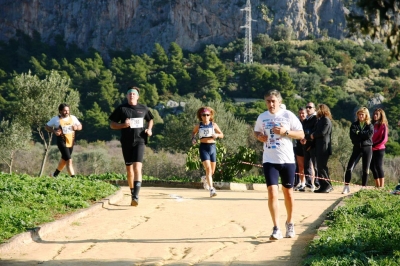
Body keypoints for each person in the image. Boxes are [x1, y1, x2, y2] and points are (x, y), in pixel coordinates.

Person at [254, 89, 304, 240]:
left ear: (279, 102)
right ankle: (276, 228)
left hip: (287, 160)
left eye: (273, 101)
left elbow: (301, 134)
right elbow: (256, 131)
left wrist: (285, 132)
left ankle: (289, 222)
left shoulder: (288, 115)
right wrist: (260, 137)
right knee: (272, 193)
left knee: (288, 193)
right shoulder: (262, 117)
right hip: (269, 160)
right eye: (268, 101)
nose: (270, 104)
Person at [109, 86, 154, 206]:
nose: (132, 96)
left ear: (137, 97)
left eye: (134, 94)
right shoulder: (121, 108)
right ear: (127, 96)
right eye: (129, 94)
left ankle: (136, 196)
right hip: (126, 142)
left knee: (137, 168)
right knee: (129, 170)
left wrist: (149, 130)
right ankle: (132, 191)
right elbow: (112, 125)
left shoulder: (143, 108)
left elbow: (150, 120)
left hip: (140, 141)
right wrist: (123, 125)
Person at [191, 107, 224, 197]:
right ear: (200, 116)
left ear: (210, 116)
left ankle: (205, 178)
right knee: (208, 169)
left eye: (207, 115)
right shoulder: (199, 126)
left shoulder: (214, 125)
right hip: (203, 148)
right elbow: (193, 132)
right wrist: (193, 139)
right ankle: (212, 189)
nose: (205, 117)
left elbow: (222, 135)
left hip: (212, 147)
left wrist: (216, 135)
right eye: (204, 115)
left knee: (212, 171)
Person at [45, 103, 82, 177]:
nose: (67, 112)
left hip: (71, 141)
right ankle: (73, 178)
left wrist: (76, 128)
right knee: (69, 160)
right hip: (61, 142)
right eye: (65, 111)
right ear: (60, 111)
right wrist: (54, 131)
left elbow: (80, 126)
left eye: (68, 110)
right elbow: (47, 126)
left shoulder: (73, 118)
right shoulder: (56, 119)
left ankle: (54, 175)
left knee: (64, 159)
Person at [342, 107, 374, 194]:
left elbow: (368, 135)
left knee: (365, 169)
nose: (360, 116)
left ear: (366, 115)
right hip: (357, 148)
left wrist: (358, 133)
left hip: (367, 148)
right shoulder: (354, 125)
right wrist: (360, 136)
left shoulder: (370, 125)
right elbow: (352, 136)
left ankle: (363, 188)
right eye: (359, 114)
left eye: (362, 114)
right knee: (349, 168)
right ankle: (346, 186)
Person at [310, 104, 333, 193]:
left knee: (322, 167)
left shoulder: (326, 120)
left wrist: (313, 135)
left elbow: (323, 132)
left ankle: (327, 185)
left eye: (319, 109)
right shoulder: (321, 120)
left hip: (324, 147)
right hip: (319, 147)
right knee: (319, 167)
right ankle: (323, 185)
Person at [299, 102, 319, 192]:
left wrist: (307, 137)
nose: (308, 109)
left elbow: (314, 131)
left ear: (314, 109)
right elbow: (303, 131)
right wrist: (302, 138)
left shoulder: (316, 119)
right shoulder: (306, 120)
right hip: (305, 145)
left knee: (315, 166)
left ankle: (318, 184)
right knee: (306, 165)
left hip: (314, 145)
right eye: (307, 107)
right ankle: (308, 184)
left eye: (310, 107)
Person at [370, 108, 388, 188]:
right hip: (371, 149)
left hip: (379, 149)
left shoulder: (383, 125)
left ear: (381, 116)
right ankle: (377, 185)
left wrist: (374, 145)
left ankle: (382, 186)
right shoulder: (372, 124)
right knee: (372, 166)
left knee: (378, 166)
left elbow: (383, 139)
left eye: (377, 114)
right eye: (374, 114)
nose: (375, 115)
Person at [294, 107, 308, 191]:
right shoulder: (296, 122)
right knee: (300, 165)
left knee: (310, 166)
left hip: (309, 146)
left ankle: (311, 183)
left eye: (303, 113)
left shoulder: (310, 122)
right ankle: (302, 182)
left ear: (306, 114)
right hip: (299, 145)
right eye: (300, 113)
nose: (301, 115)